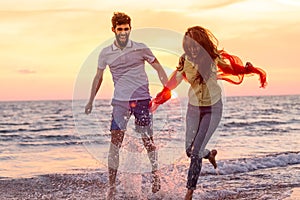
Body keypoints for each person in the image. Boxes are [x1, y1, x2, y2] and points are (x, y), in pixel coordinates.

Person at [150, 26, 267, 200]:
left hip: (213, 109)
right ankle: (209, 154)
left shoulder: (213, 58)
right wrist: (158, 100)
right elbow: (173, 83)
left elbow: (230, 70)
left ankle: (189, 193)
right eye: (189, 44)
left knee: (195, 151)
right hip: (193, 108)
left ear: (202, 44)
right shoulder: (184, 60)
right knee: (190, 150)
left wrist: (247, 69)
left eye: (195, 44)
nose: (192, 48)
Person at [85, 12, 168, 199]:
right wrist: (91, 100)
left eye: (126, 29)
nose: (123, 32)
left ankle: (156, 177)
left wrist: (166, 88)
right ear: (113, 30)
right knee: (115, 144)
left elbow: (158, 67)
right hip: (120, 102)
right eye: (120, 29)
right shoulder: (105, 53)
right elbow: (98, 77)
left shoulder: (141, 48)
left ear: (130, 29)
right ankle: (112, 187)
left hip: (142, 100)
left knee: (148, 141)